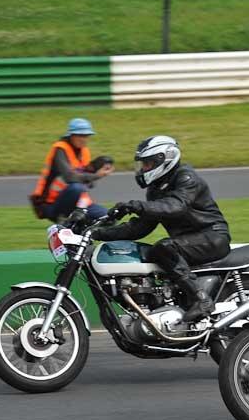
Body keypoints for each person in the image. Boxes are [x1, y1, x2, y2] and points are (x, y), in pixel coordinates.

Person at [92, 136, 231, 322]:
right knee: (149, 252)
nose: (144, 169)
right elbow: (139, 228)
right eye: (143, 164)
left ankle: (202, 300)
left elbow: (176, 206)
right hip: (188, 241)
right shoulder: (156, 190)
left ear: (164, 160)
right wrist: (97, 232)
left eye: (148, 164)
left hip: (212, 236)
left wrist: (136, 205)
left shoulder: (187, 178)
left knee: (164, 248)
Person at [30, 118, 114, 222]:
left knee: (108, 218)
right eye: (80, 135)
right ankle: (62, 218)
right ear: (71, 135)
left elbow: (88, 183)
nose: (84, 139)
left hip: (77, 202)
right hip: (50, 204)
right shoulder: (60, 149)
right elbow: (70, 177)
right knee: (76, 187)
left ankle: (79, 222)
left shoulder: (84, 151)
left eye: (86, 136)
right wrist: (97, 175)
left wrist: (95, 169)